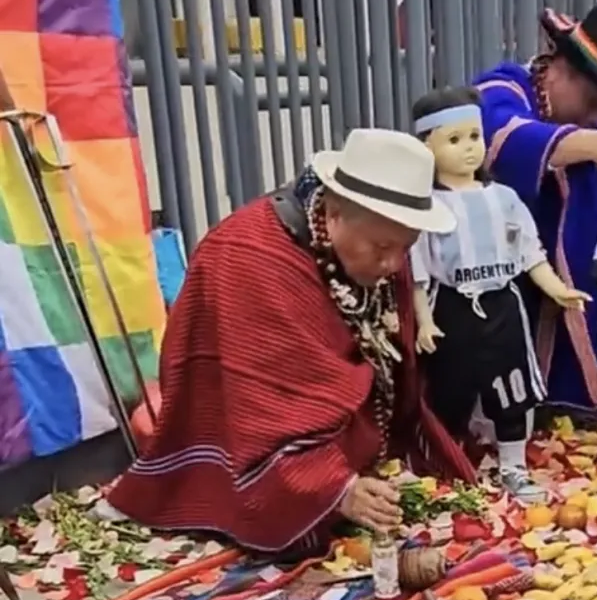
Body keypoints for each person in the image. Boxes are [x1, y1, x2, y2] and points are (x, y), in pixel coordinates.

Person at [105, 129, 475, 554]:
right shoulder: (250, 256)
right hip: (237, 430)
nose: (393, 265)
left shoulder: (379, 253)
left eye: (406, 248)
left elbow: (384, 354)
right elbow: (268, 399)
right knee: (295, 532)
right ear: (334, 215)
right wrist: (335, 487)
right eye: (383, 247)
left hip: (326, 432)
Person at [474, 4, 597, 409]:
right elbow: (500, 139)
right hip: (500, 299)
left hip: (579, 312)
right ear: (561, 68)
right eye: (595, 100)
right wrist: (595, 147)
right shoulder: (504, 88)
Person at [408, 85, 588, 500]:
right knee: (450, 390)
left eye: (474, 136)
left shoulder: (504, 198)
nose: (469, 149)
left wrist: (558, 289)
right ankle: (449, 465)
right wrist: (425, 319)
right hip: (453, 306)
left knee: (513, 388)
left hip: (504, 304)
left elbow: (530, 251)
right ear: (427, 148)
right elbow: (417, 267)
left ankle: (513, 465)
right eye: (454, 140)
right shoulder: (426, 207)